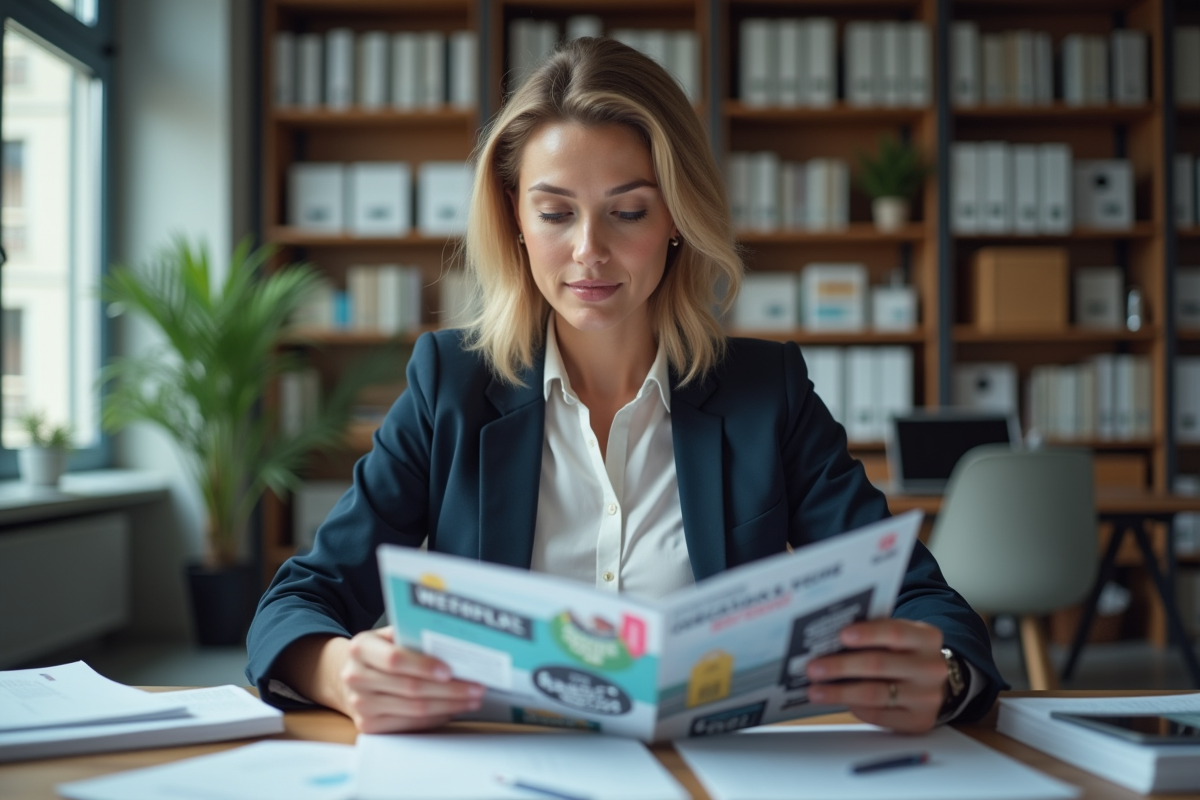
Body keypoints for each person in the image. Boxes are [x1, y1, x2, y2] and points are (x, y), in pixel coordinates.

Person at [246, 36, 1004, 736]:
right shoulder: (451, 383)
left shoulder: (763, 391)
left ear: (677, 215)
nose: (589, 252)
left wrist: (938, 671)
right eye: (554, 213)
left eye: (628, 211)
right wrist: (341, 672)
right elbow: (297, 601)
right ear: (514, 217)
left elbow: (928, 602)